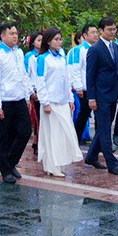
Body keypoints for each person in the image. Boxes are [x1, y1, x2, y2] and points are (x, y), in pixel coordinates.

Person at [33, 28, 82, 177]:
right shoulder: (42, 59)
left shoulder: (62, 57)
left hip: (62, 101)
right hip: (51, 103)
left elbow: (66, 80)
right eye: (56, 39)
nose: (59, 42)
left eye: (60, 39)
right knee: (51, 135)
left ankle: (58, 164)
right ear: (48, 41)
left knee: (64, 134)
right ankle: (52, 166)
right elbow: (40, 82)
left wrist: (70, 99)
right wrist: (45, 102)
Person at [0, 23, 32, 184]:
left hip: (19, 99)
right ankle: (5, 169)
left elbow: (24, 75)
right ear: (3, 36)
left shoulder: (19, 52)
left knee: (25, 132)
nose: (15, 36)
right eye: (11, 33)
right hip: (5, 101)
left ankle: (10, 162)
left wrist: (27, 96)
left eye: (16, 33)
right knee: (4, 137)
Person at [84, 18, 118, 176]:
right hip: (100, 96)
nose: (112, 32)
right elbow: (90, 75)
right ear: (101, 31)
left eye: (114, 29)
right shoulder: (95, 49)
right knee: (105, 129)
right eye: (109, 29)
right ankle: (112, 163)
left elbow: (116, 72)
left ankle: (91, 156)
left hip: (113, 93)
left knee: (104, 128)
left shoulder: (115, 47)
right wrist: (91, 98)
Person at [69, 24, 98, 144]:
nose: (96, 35)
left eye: (96, 32)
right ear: (85, 35)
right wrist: (79, 87)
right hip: (85, 88)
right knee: (83, 115)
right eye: (92, 32)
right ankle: (75, 139)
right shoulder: (79, 50)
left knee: (99, 117)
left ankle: (99, 142)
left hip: (97, 88)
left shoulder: (98, 49)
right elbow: (75, 69)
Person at [25, 31, 43, 154]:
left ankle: (39, 142)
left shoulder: (45, 55)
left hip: (45, 91)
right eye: (38, 40)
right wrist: (30, 92)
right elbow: (26, 75)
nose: (40, 43)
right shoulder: (29, 56)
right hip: (35, 91)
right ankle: (37, 142)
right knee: (37, 118)